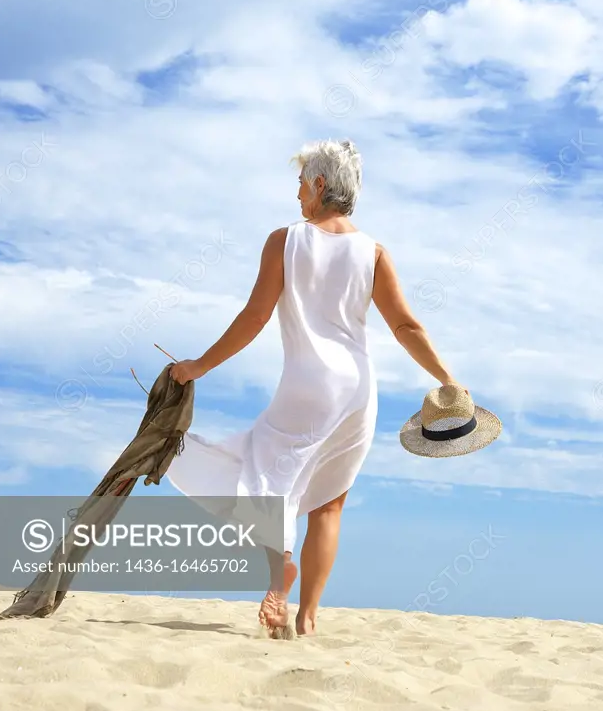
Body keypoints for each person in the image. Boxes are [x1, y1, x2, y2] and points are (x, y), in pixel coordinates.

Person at [166, 138, 459, 637]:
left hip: (307, 383)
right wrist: (448, 380)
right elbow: (407, 327)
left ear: (321, 184)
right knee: (330, 502)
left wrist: (199, 366)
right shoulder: (374, 253)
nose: (297, 192)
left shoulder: (285, 240)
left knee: (267, 476)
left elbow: (254, 317)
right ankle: (308, 617)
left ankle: (279, 574)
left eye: (301, 182)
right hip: (357, 391)